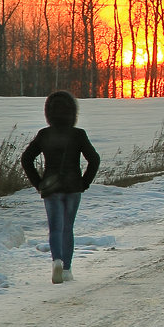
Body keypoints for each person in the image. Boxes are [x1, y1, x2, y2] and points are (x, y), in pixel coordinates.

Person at [21, 90, 101, 284]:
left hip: (50, 187)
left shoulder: (44, 134)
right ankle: (67, 269)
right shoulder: (78, 135)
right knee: (68, 228)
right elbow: (94, 159)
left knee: (55, 228)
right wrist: (85, 182)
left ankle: (56, 260)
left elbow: (26, 159)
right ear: (73, 112)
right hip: (73, 187)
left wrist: (38, 183)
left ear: (49, 112)